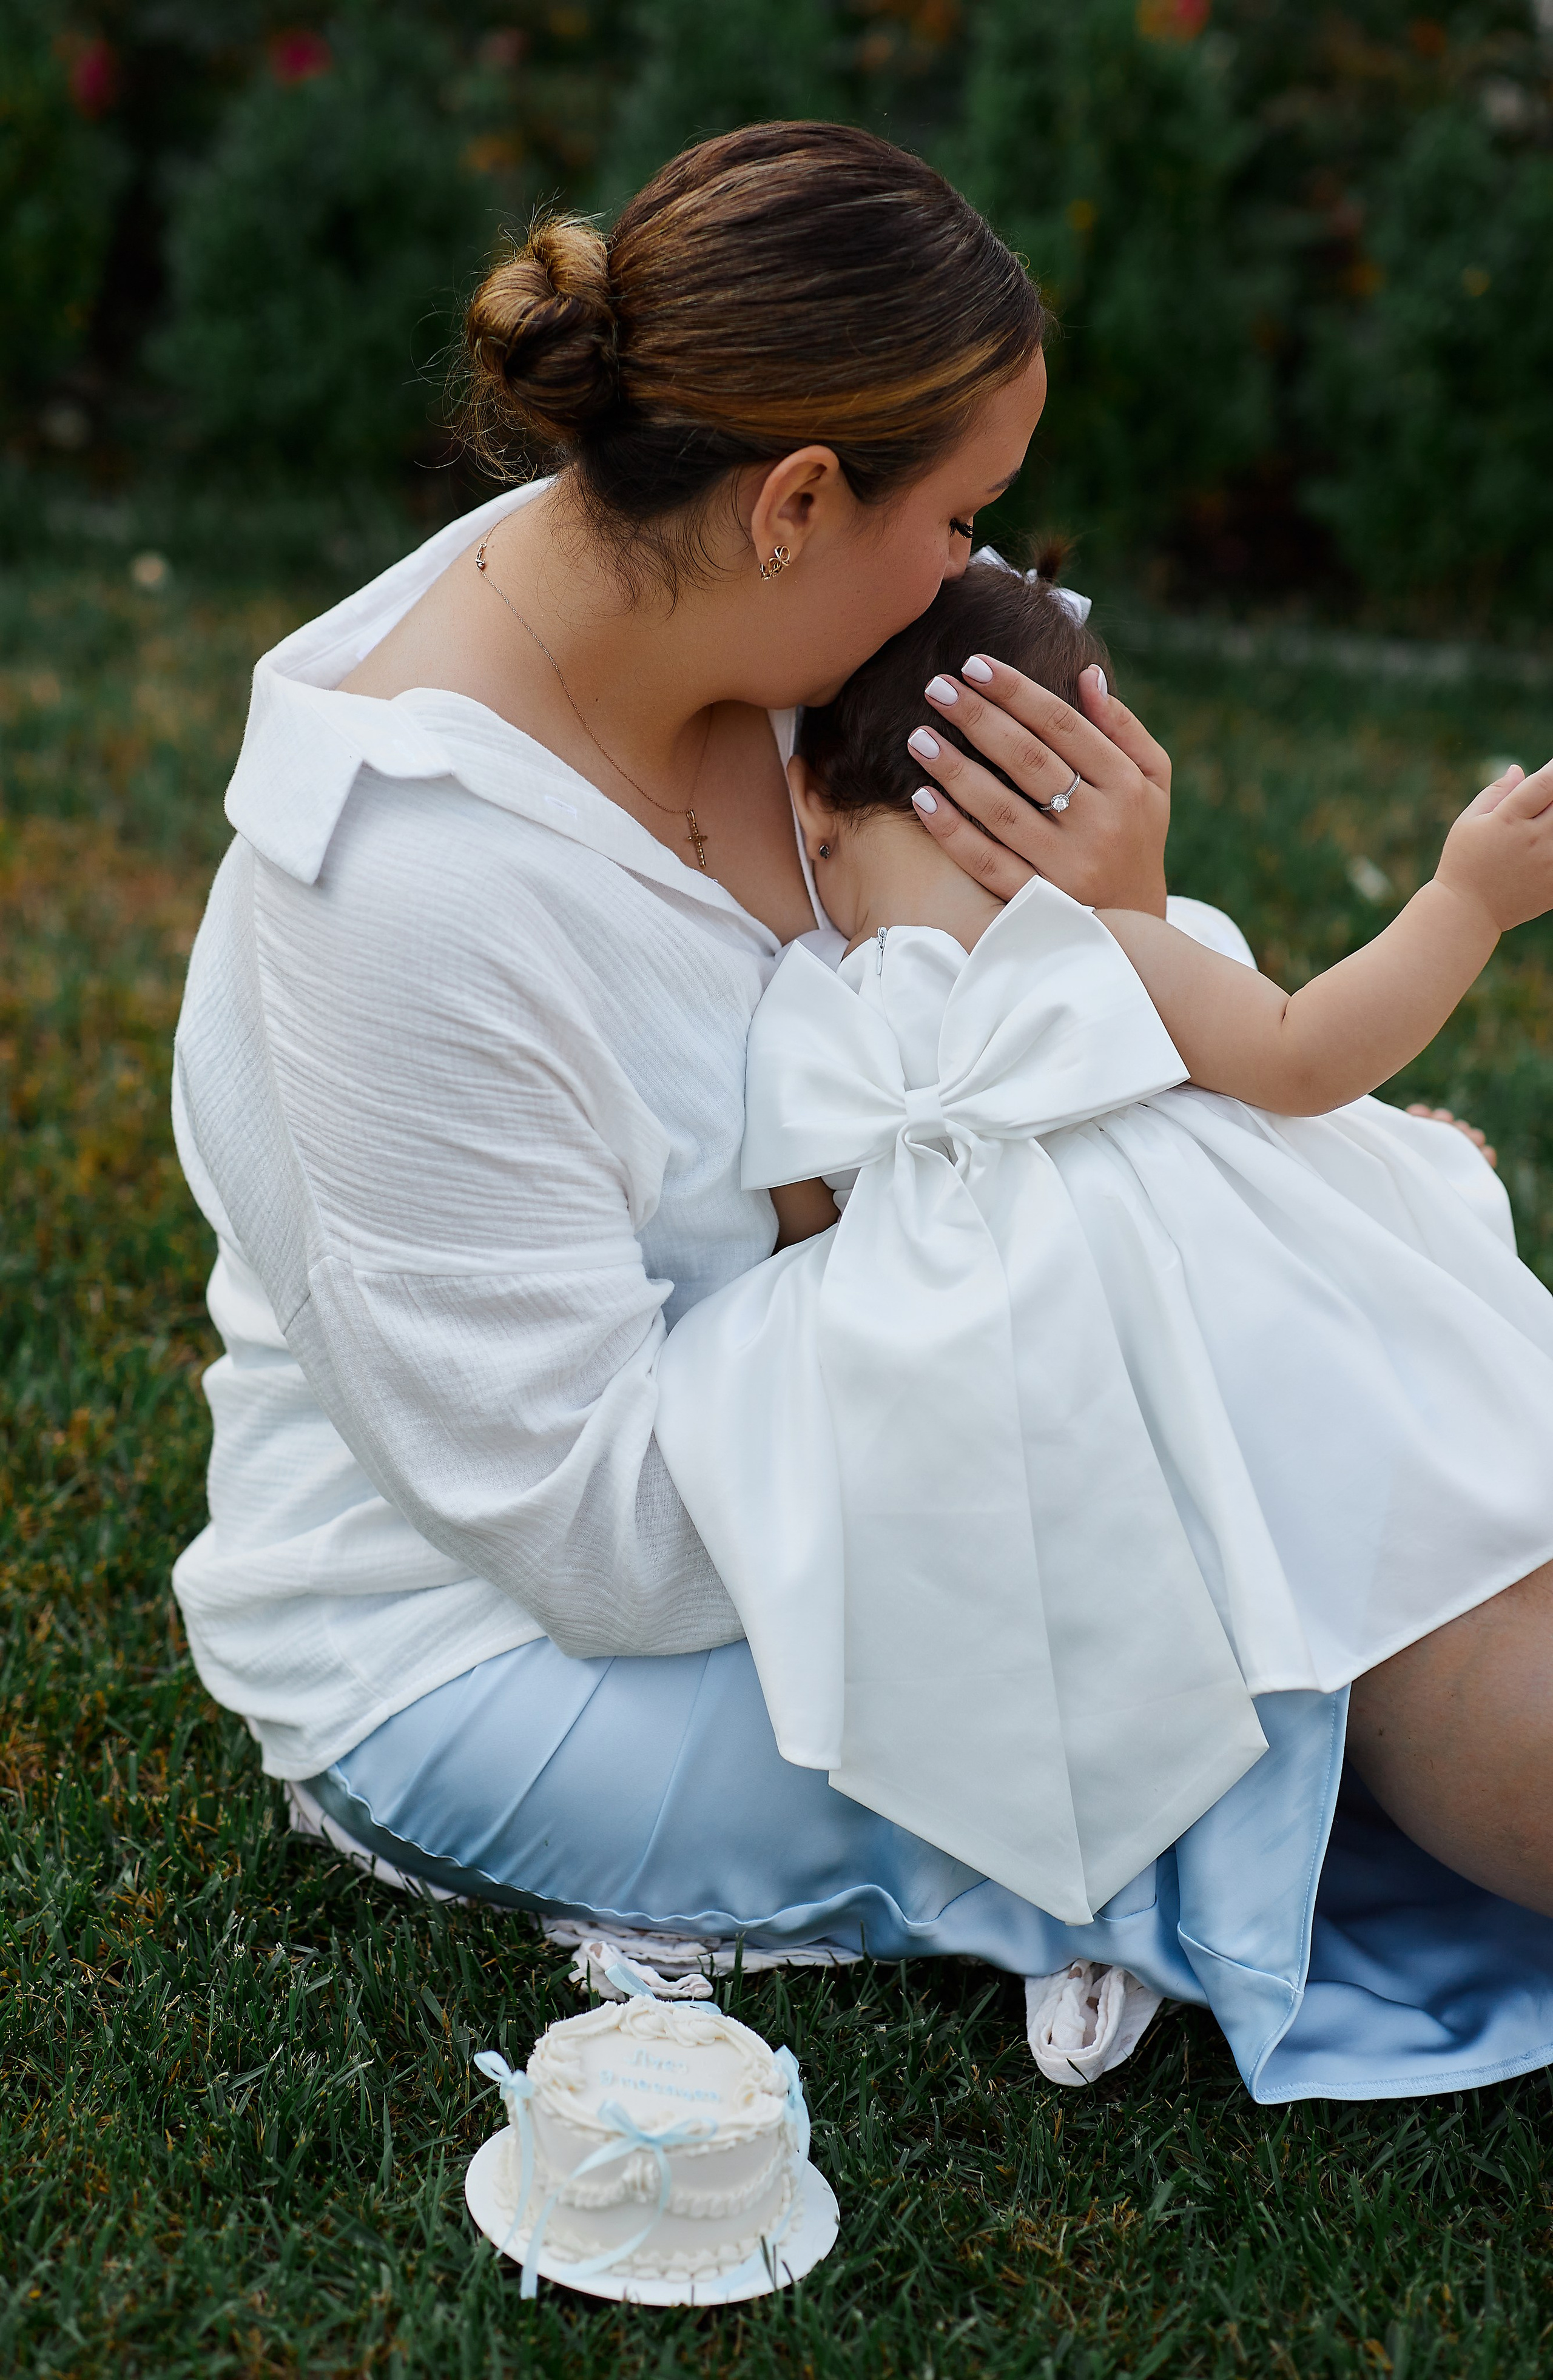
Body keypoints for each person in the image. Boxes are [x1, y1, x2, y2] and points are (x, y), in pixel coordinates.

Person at [170, 121, 1553, 2103]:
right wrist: (1108, 1286)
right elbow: (598, 1530)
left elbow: (1018, 1030)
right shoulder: (402, 890)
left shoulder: (774, 623)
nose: (984, 573)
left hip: (900, 1400)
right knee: (1305, 1607)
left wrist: (1137, 953)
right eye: (967, 514)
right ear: (798, 497)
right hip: (522, 1632)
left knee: (1380, 1435)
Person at [654, 554, 1553, 1937]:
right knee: (1452, 1605)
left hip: (1157, 1399)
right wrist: (1457, 904)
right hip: (1263, 1353)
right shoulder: (1099, 943)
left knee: (1433, 1649)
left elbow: (802, 1237)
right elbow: (1304, 1053)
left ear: (814, 809)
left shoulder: (829, 1009)